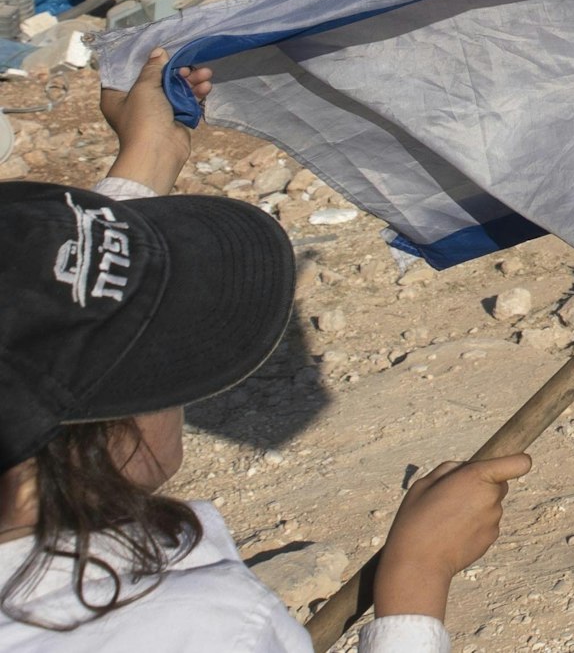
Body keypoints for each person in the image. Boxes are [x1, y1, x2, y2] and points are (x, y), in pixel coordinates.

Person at [1, 48, 533, 650]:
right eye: (162, 368)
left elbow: (35, 312)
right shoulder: (181, 629)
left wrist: (148, 161)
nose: (183, 395)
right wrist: (417, 577)